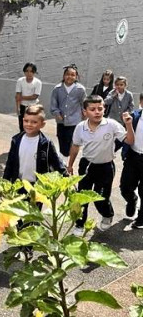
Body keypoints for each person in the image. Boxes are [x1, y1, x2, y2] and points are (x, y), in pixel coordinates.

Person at [67, 94, 132, 234]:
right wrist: (70, 165)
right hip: (87, 165)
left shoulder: (111, 124)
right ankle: (79, 224)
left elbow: (130, 141)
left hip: (106, 167)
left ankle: (107, 215)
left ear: (104, 109)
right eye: (92, 109)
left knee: (100, 198)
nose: (97, 111)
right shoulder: (80, 127)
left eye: (100, 108)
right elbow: (75, 146)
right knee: (81, 197)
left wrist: (128, 124)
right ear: (85, 112)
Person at [3, 104, 66, 182]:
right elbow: (10, 164)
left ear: (42, 124)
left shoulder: (47, 143)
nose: (29, 124)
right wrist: (5, 183)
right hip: (18, 185)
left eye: (34, 122)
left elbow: (57, 164)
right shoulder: (16, 140)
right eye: (26, 121)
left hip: (38, 187)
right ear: (22, 121)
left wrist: (67, 181)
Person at [50, 65, 86, 157]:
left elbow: (84, 104)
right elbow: (53, 105)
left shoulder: (80, 89)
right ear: (63, 76)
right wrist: (57, 113)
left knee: (72, 141)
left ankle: (68, 161)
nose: (69, 77)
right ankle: (63, 158)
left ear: (76, 77)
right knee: (61, 139)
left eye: (72, 75)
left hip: (74, 121)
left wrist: (85, 114)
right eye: (67, 74)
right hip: (61, 121)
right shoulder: (57, 89)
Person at [120, 105, 143, 228]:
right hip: (133, 157)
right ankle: (132, 199)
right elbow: (123, 136)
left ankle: (141, 218)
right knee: (125, 186)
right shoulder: (134, 117)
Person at [15, 63, 42, 132]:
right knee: (22, 126)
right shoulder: (20, 81)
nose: (29, 73)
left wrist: (21, 97)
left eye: (31, 71)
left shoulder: (38, 82)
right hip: (22, 106)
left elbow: (35, 96)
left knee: (32, 126)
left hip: (33, 106)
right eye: (27, 71)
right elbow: (18, 95)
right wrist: (18, 107)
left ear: (34, 72)